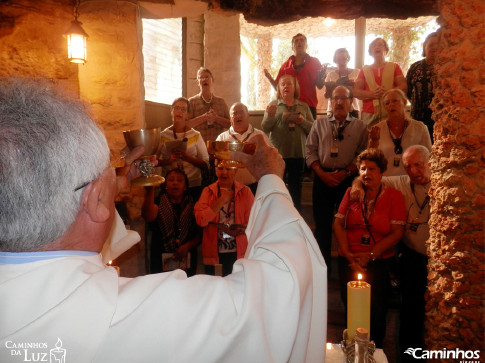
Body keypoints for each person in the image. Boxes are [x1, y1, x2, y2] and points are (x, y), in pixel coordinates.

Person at [0, 78, 327, 362]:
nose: (116, 181)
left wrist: (112, 187)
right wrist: (271, 179)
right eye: (107, 178)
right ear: (96, 200)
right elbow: (280, 293)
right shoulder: (127, 318)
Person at [333, 148, 406, 347]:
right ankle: (351, 349)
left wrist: (370, 255)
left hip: (379, 262)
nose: (367, 173)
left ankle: (374, 351)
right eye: (363, 169)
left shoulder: (394, 196)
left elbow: (397, 232)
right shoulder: (351, 192)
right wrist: (349, 255)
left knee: (376, 312)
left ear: (382, 171)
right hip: (349, 260)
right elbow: (338, 224)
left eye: (372, 169)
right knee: (351, 308)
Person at [305, 85, 367, 276]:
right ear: (331, 101)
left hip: (347, 181)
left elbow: (363, 154)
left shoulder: (360, 126)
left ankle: (346, 267)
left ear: (350, 102)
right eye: (335, 98)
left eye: (343, 98)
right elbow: (310, 150)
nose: (339, 102)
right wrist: (321, 173)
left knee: (347, 226)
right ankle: (322, 269)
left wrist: (347, 172)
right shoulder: (319, 124)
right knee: (322, 226)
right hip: (322, 179)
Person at [262, 74, 314, 211]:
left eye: (289, 84)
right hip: (278, 154)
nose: (286, 86)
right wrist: (271, 116)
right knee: (277, 187)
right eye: (283, 84)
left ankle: (295, 215)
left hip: (298, 153)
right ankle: (276, 213)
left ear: (294, 87)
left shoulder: (303, 106)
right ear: (279, 88)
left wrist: (302, 122)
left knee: (296, 188)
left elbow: (313, 129)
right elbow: (265, 127)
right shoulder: (273, 105)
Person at [194, 164, 254, 276]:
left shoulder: (245, 192)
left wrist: (240, 229)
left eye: (228, 168)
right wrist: (222, 200)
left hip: (240, 253)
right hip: (214, 255)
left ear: (235, 170)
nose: (224, 172)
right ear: (216, 171)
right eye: (220, 168)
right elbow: (201, 220)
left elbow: (254, 222)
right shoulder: (208, 191)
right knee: (216, 290)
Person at [142, 169, 200, 276]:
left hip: (186, 256)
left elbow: (200, 233)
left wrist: (187, 246)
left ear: (185, 186)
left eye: (179, 180)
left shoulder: (194, 204)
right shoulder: (158, 201)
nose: (175, 183)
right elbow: (148, 217)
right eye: (171, 180)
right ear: (165, 185)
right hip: (160, 258)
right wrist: (150, 191)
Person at [369, 89, 432, 176]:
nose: (391, 104)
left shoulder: (420, 128)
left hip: (412, 181)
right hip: (385, 181)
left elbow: (429, 157)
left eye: (395, 101)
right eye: (387, 103)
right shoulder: (378, 129)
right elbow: (370, 159)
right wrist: (373, 141)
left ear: (405, 102)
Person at [158, 97, 209, 200]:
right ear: (171, 111)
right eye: (176, 108)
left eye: (183, 109)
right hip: (169, 185)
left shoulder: (195, 135)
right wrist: (169, 160)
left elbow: (206, 164)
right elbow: (153, 162)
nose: (179, 111)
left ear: (188, 114)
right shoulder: (163, 135)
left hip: (192, 184)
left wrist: (187, 158)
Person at [264, 33, 325, 119]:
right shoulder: (285, 66)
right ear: (292, 47)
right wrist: (270, 79)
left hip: (309, 106)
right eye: (296, 41)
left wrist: (322, 78)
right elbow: (278, 88)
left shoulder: (315, 62)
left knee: (310, 131)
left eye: (302, 40)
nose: (299, 42)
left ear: (306, 45)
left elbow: (320, 85)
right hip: (288, 106)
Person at [216, 102, 271, 194]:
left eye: (241, 112)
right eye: (234, 113)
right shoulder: (222, 138)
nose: (238, 116)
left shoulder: (260, 136)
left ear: (248, 115)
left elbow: (270, 160)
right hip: (230, 188)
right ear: (230, 119)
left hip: (255, 186)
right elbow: (216, 165)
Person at [354, 37, 408, 128]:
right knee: (370, 140)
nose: (376, 47)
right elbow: (355, 92)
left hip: (391, 111)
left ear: (386, 49)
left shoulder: (395, 67)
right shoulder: (364, 70)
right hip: (369, 114)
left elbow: (404, 87)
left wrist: (388, 93)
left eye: (380, 45)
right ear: (370, 52)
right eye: (373, 46)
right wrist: (372, 94)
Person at [407, 32, 439, 142]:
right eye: (430, 45)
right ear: (424, 48)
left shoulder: (447, 68)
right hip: (418, 118)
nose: (434, 48)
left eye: (437, 45)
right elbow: (408, 91)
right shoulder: (415, 67)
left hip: (440, 120)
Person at [187, 67, 231, 142]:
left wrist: (216, 118)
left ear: (212, 80)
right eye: (201, 77)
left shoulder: (221, 102)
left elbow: (230, 124)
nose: (204, 79)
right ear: (197, 82)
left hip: (218, 144)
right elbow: (187, 125)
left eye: (207, 77)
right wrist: (204, 118)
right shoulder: (191, 102)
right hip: (198, 144)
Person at [324, 48, 361, 118]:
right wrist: (336, 85)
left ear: (348, 59)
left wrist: (353, 86)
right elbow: (326, 95)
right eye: (338, 59)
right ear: (335, 60)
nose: (341, 62)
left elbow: (361, 93)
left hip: (353, 109)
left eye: (344, 59)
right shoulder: (330, 75)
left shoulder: (357, 73)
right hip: (333, 109)